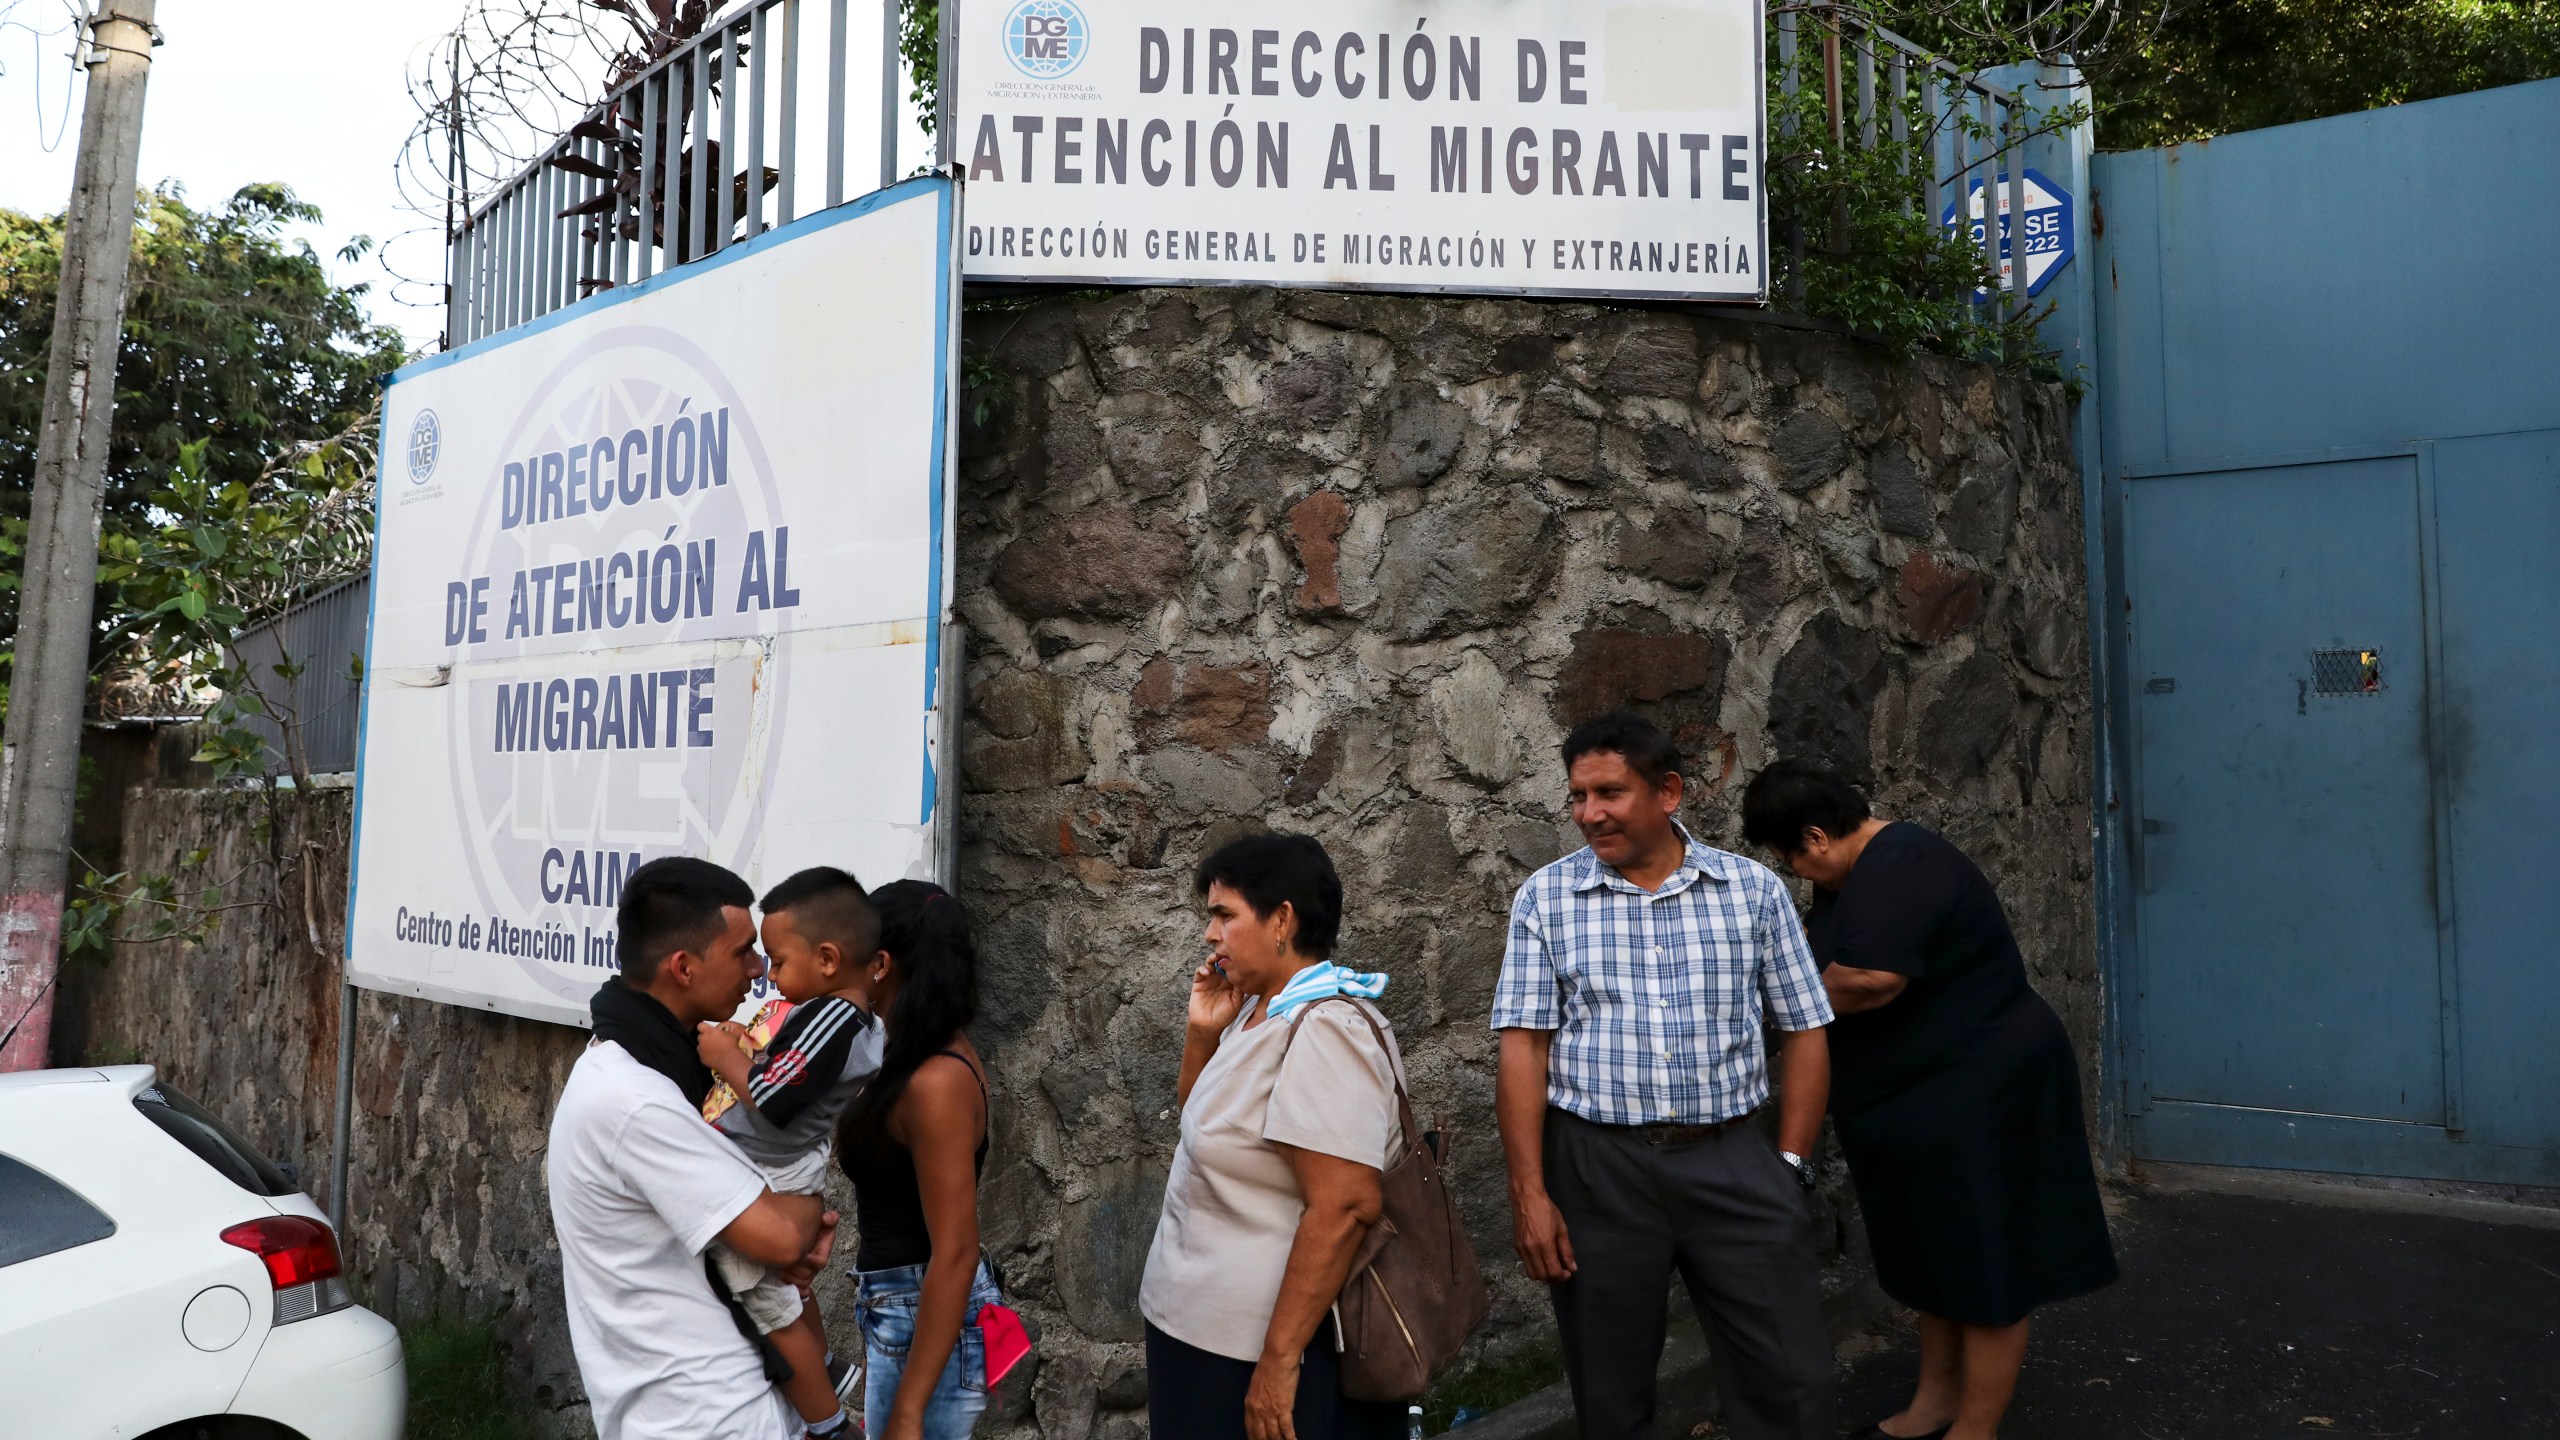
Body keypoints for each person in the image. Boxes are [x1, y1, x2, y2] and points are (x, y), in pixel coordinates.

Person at [1740, 760, 2117, 1440]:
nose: (1794, 873)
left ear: (1815, 836)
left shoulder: (1904, 862)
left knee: (1986, 1256)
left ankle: (1976, 1426)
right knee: (1933, 1251)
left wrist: (1772, 1015)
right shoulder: (1854, 875)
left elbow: (1870, 979)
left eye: (1788, 856)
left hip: (1982, 1089)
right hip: (1917, 1098)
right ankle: (1935, 1402)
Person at [1493, 712, 1839, 1440]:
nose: (1591, 813)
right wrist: (1531, 1193)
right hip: (1597, 1170)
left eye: (1610, 793)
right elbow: (1523, 1049)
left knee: (1790, 1381)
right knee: (1610, 1392)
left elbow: (1806, 1028)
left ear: (1669, 791)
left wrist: (1791, 1165)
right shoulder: (1546, 900)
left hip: (1733, 1157)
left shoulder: (1753, 892)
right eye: (1579, 796)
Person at [547, 856, 837, 1440]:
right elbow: (778, 1236)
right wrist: (806, 1215)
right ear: (682, 967)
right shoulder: (636, 1099)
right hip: (706, 1416)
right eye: (742, 952)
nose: (759, 969)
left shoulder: (656, 1068)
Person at [1139, 833, 1407, 1440]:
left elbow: (1344, 1203)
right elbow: (1207, 1133)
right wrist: (1203, 1033)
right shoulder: (1260, 1011)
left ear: (1282, 918)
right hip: (1197, 1332)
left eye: (1225, 915)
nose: (1211, 934)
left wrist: (1279, 1362)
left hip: (1255, 1348)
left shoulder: (1327, 1029)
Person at [696, 866, 891, 1439]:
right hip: (776, 1164)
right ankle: (826, 1367)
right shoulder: (844, 1020)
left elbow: (775, 1097)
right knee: (784, 1287)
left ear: (828, 960)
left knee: (766, 1303)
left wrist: (723, 1053)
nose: (768, 973)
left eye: (778, 961)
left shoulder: (832, 1016)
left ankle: (828, 1423)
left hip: (770, 1169)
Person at [836, 880, 1003, 1440]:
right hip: (903, 1310)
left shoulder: (936, 1080)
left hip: (924, 1316)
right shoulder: (908, 1047)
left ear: (880, 963)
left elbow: (955, 1251)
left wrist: (911, 1406)